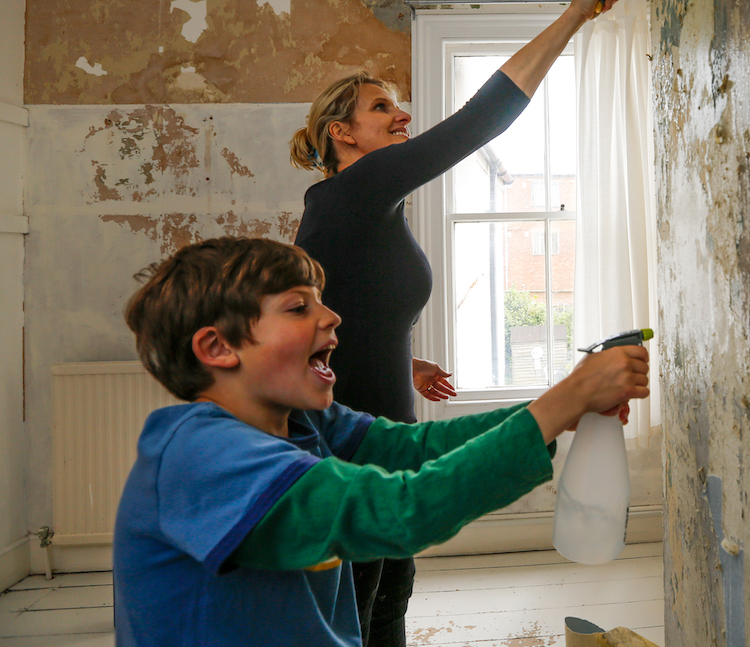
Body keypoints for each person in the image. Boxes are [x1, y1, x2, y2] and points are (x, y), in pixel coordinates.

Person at [287, 0, 629, 644]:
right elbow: (478, 122)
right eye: (381, 106)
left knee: (387, 603)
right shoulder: (351, 193)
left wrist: (397, 360)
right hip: (349, 449)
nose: (402, 113)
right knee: (357, 612)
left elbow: (340, 309)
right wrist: (573, 14)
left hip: (383, 432)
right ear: (342, 134)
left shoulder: (368, 208)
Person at [112, 236, 649, 647]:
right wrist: (565, 400)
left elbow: (416, 449)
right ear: (218, 347)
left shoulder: (304, 422)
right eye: (298, 307)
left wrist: (562, 408)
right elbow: (401, 512)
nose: (332, 316)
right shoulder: (197, 457)